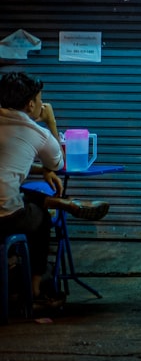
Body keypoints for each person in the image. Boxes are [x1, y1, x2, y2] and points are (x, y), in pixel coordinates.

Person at [0, 71, 110, 307]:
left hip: (7, 197)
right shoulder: (36, 132)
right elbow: (59, 162)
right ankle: (36, 289)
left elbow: (8, 164)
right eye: (40, 99)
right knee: (40, 220)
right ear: (31, 104)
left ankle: (62, 203)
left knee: (20, 192)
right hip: (6, 217)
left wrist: (41, 171)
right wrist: (50, 121)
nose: (43, 104)